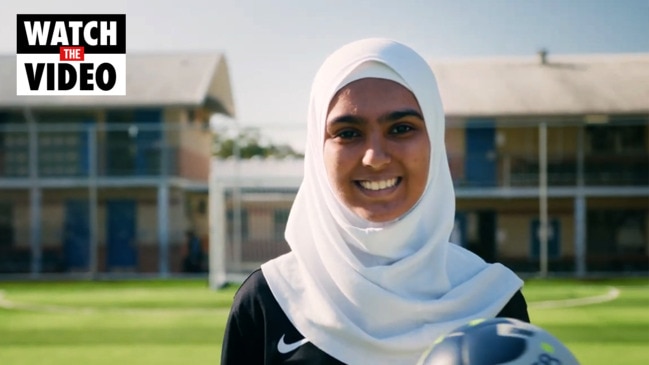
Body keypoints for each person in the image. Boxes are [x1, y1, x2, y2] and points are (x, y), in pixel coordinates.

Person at [221, 38, 529, 365]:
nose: (375, 158)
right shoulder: (270, 300)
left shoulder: (493, 303)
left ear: (434, 140)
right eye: (348, 133)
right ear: (317, 149)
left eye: (401, 128)